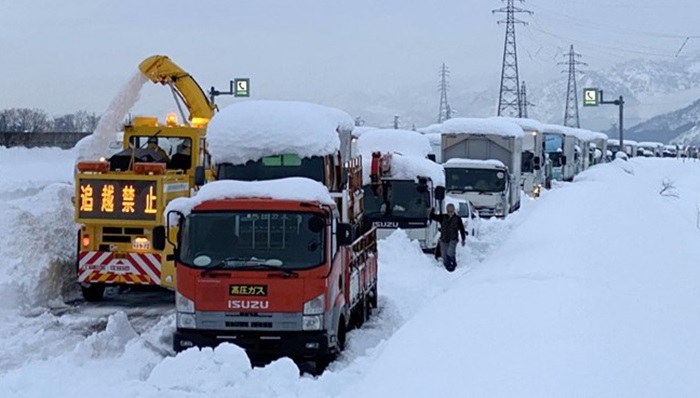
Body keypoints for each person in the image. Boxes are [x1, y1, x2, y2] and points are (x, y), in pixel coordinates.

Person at [430, 203, 467, 272]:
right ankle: (447, 267)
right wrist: (432, 211)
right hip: (443, 239)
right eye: (448, 211)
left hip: (453, 239)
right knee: (444, 255)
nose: (450, 213)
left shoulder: (457, 219)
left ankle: (453, 263)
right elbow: (434, 217)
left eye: (451, 211)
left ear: (454, 210)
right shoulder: (443, 217)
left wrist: (463, 239)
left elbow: (462, 229)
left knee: (450, 252)